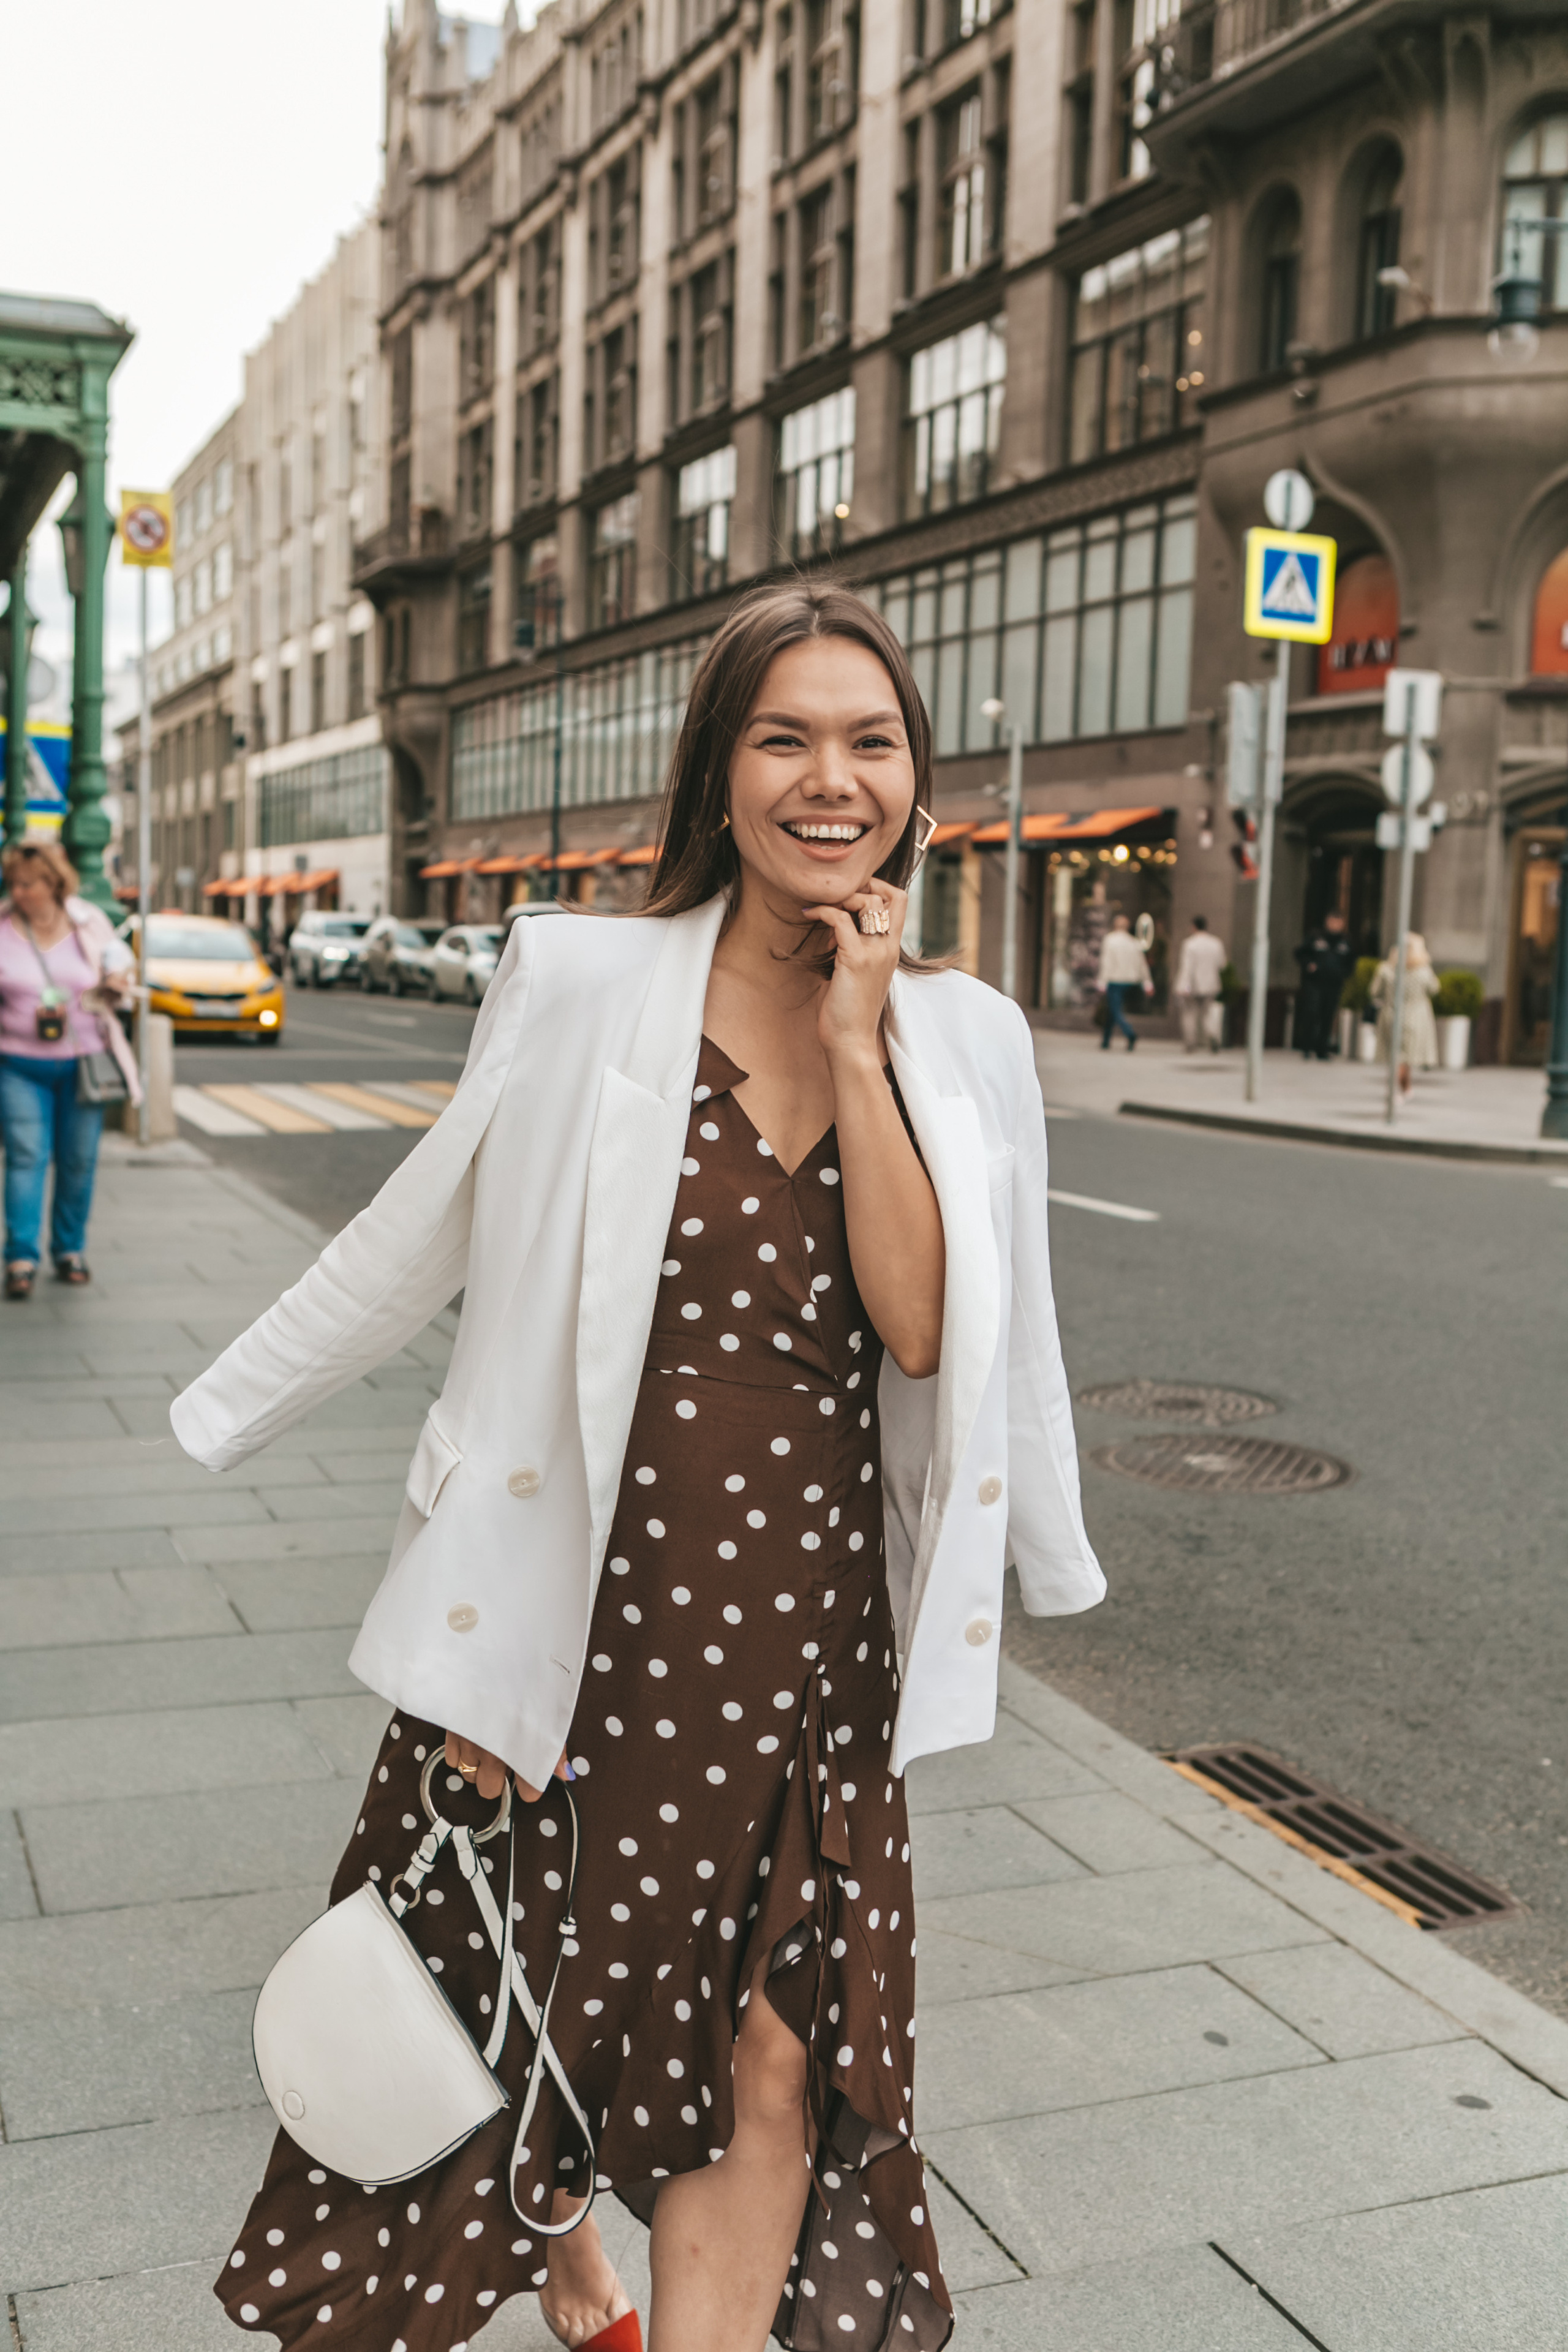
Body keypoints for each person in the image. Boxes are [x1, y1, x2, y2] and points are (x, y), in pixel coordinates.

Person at [172, 581, 1104, 2352]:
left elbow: (933, 1330)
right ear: (719, 770)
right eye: (785, 738)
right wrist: (232, 1406)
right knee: (511, 2022)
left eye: (871, 741)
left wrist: (858, 1039)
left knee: (773, 2056)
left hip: (809, 1648)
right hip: (575, 1619)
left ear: (917, 775)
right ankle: (567, 2263)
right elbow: (423, 1233)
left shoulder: (961, 1035)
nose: (831, 780)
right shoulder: (585, 977)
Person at [0, 840, 140, 1300]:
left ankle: (69, 1249)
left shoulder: (88, 920)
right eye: (14, 883)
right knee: (26, 1156)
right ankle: (21, 1256)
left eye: (28, 883)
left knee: (79, 1161)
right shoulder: (3, 926)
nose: (19, 892)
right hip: (19, 1064)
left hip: (84, 1063)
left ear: (53, 883)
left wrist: (118, 980)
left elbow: (119, 957)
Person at [1371, 930, 1440, 1096]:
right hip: (1416, 1016)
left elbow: (1374, 992)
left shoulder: (1386, 969)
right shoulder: (1424, 971)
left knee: (1396, 1054)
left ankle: (1400, 1088)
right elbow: (1435, 989)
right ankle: (1403, 1089)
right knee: (1405, 1057)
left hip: (1391, 1014)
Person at [1293, 910, 1354, 1060]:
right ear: (1327, 922)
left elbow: (1352, 961)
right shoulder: (1316, 937)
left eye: (1338, 922)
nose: (1335, 925)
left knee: (1328, 1015)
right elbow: (1300, 953)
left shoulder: (1346, 941)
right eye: (1332, 921)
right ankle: (1307, 1047)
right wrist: (1309, 965)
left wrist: (1344, 974)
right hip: (1315, 983)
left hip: (1334, 984)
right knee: (1312, 1012)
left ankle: (1322, 1049)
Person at [1096, 910, 1152, 1049]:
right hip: (1130, 981)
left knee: (1115, 1010)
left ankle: (1130, 1033)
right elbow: (1142, 964)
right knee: (1113, 1008)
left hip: (1114, 980)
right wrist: (1147, 982)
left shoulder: (1110, 940)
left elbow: (1106, 962)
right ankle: (1106, 1040)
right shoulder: (1133, 942)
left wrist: (1102, 981)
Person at [1173, 914, 1227, 1053]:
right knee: (1208, 1014)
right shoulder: (1216, 943)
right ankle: (1213, 1035)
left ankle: (1191, 1043)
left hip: (1193, 986)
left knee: (1190, 1014)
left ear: (1193, 927)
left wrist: (1183, 987)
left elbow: (1187, 968)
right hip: (1211, 985)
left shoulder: (1190, 944)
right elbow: (1223, 965)